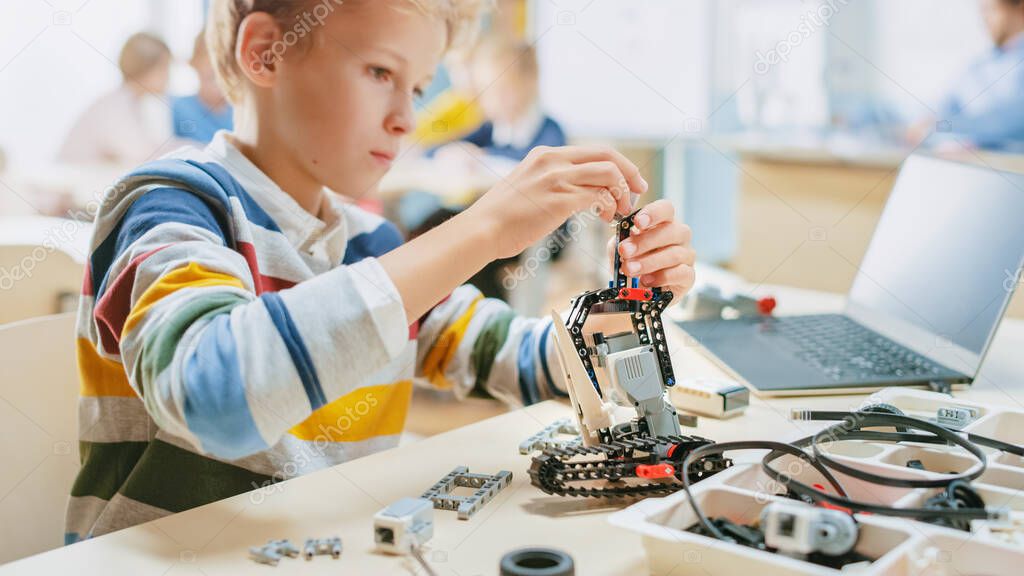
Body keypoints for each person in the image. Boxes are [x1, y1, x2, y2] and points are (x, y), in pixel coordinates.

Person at [66, 0, 697, 543]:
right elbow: (213, 396)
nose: (406, 118)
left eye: (418, 87)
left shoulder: (370, 241)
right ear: (265, 53)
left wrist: (617, 316)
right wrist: (480, 229)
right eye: (379, 72)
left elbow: (514, 357)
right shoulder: (167, 204)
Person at [907, 0, 1024, 150]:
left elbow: (1006, 123)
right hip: (972, 161)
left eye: (992, 10)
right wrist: (925, 122)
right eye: (982, 11)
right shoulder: (978, 66)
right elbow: (944, 104)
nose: (984, 19)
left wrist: (938, 126)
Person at [58, 32, 182, 165]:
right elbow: (143, 154)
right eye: (165, 68)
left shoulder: (131, 102)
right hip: (72, 179)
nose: (168, 76)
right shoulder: (113, 106)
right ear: (146, 69)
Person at [173, 29, 234, 144]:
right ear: (193, 64)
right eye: (210, 77)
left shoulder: (240, 111)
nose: (217, 86)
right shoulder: (180, 108)